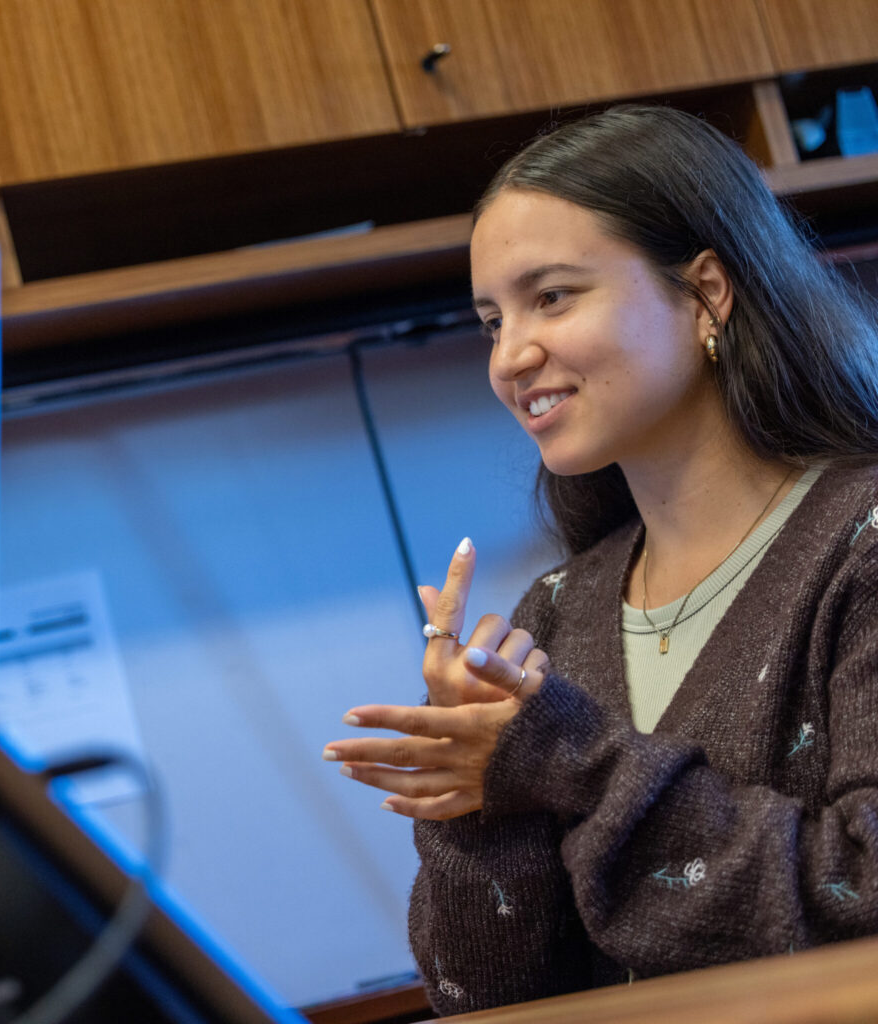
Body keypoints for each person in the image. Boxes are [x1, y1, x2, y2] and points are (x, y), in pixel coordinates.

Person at [322, 104, 878, 1014]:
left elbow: (861, 897)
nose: (511, 355)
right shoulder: (556, 611)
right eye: (491, 319)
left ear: (706, 293)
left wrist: (567, 759)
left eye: (553, 296)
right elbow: (487, 998)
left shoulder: (866, 540)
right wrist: (474, 801)